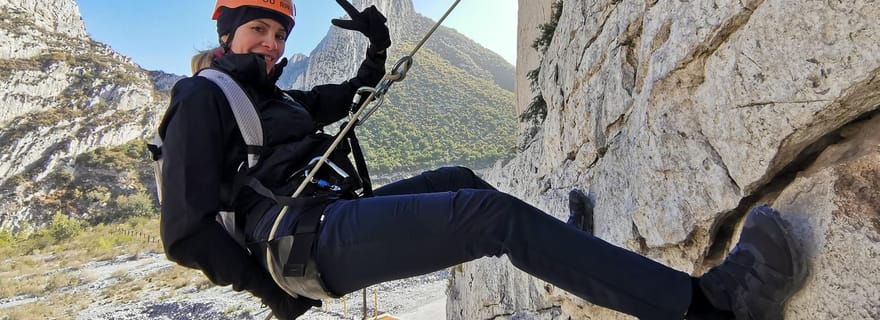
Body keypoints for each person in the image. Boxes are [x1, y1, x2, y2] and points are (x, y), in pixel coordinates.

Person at [156, 1, 808, 319]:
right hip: (302, 246)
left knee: (463, 183)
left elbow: (351, 94)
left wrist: (380, 43)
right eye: (258, 31)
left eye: (278, 34)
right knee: (488, 216)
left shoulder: (280, 102)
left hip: (326, 219)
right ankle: (712, 308)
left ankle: (567, 254)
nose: (271, 44)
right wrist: (268, 292)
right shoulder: (201, 98)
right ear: (226, 34)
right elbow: (183, 230)